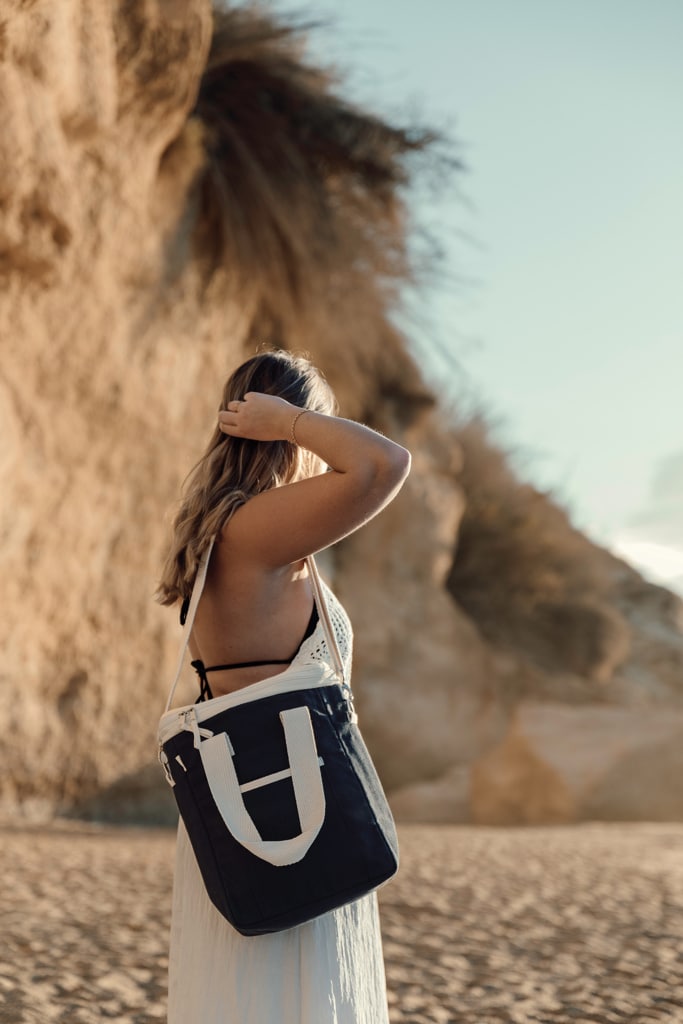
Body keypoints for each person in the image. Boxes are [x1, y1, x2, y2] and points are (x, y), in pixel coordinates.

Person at [156, 349, 411, 1024]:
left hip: (255, 807)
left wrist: (287, 422)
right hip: (294, 810)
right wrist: (292, 421)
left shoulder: (226, 530)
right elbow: (384, 464)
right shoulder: (256, 530)